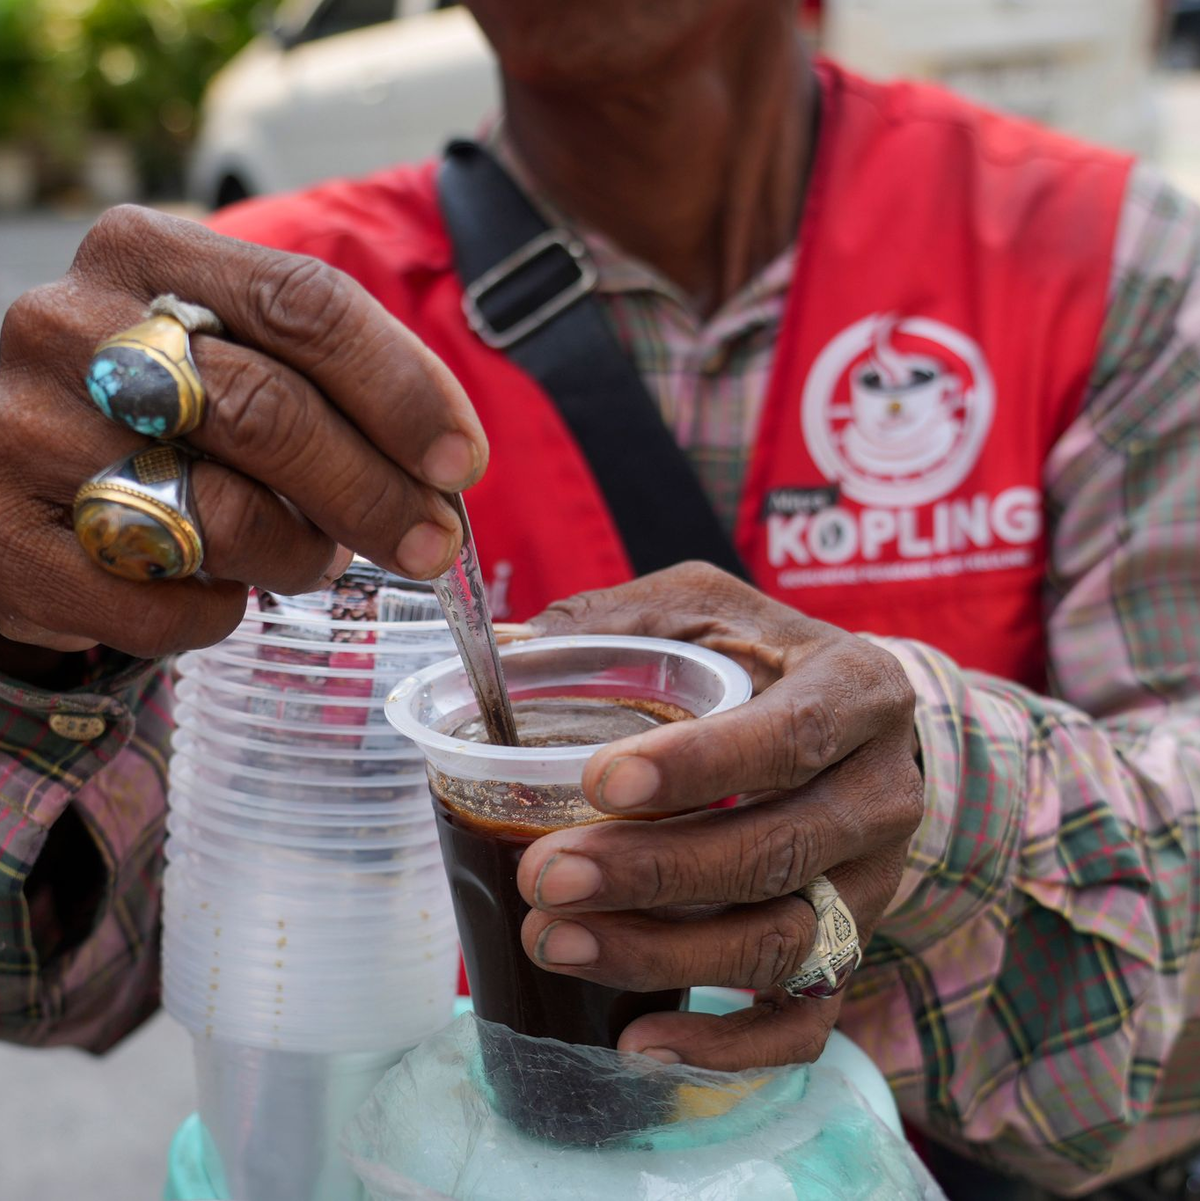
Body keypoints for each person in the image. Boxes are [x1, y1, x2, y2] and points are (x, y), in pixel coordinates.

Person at [1, 1, 1197, 1195]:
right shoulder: (248, 357)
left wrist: (933, 804)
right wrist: (35, 642)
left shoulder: (1103, 263)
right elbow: (72, 970)